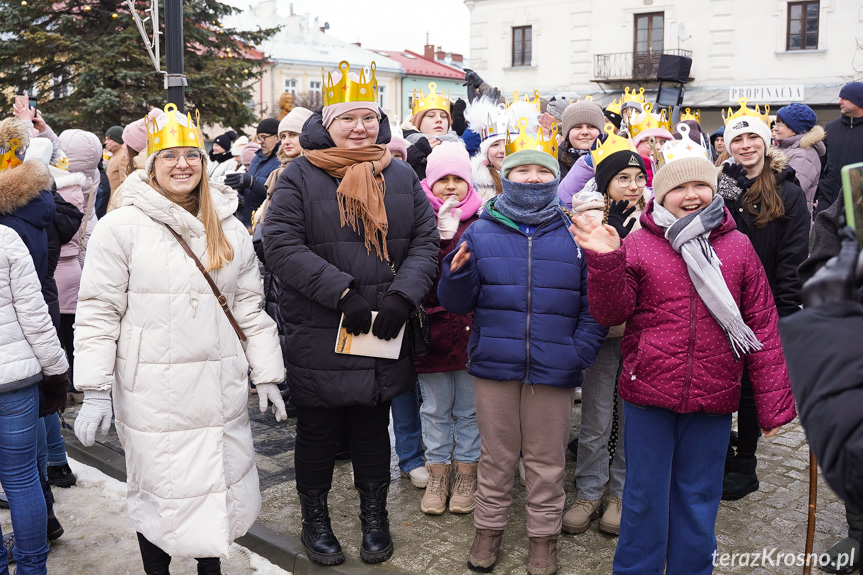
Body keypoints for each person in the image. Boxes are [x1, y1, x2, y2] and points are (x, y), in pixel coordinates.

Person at [72, 103, 287, 575]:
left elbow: (249, 307)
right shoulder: (120, 228)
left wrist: (268, 373)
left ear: (204, 162)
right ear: (151, 164)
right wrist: (93, 389)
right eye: (169, 156)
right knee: (159, 492)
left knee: (213, 489)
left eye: (191, 154)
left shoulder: (228, 226)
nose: (182, 164)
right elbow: (98, 313)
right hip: (153, 392)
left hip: (217, 387)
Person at [571, 135, 795, 575]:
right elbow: (611, 312)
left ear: (713, 191)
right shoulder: (638, 243)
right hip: (649, 391)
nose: (691, 195)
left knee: (698, 497)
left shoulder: (737, 246)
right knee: (643, 496)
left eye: (701, 186)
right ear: (663, 194)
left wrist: (772, 408)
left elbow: (762, 324)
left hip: (714, 394)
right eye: (679, 188)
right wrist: (604, 262)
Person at [262, 60, 438, 566]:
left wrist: (403, 297)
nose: (360, 128)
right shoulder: (298, 173)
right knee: (317, 431)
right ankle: (315, 519)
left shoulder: (400, 173)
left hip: (384, 325)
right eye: (348, 119)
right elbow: (280, 244)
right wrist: (343, 293)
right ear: (328, 123)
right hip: (322, 325)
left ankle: (374, 516)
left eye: (368, 118)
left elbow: (425, 242)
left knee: (369, 426)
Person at [437, 117, 606, 575]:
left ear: (556, 176)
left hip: (555, 366)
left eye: (543, 171)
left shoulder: (575, 232)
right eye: (522, 171)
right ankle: (487, 531)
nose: (533, 178)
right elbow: (456, 303)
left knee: (547, 461)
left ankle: (542, 540)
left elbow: (596, 305)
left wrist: (580, 351)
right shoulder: (482, 229)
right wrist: (454, 275)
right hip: (495, 363)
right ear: (505, 176)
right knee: (495, 458)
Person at [717, 114, 809, 500]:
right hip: (722, 304)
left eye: (753, 137)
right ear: (728, 146)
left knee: (754, 389)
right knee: (721, 382)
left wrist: (785, 311)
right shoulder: (721, 187)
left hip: (766, 303)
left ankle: (745, 463)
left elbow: (793, 258)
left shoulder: (788, 190)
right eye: (738, 140)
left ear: (766, 142)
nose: (746, 145)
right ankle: (719, 453)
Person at [563, 127, 647, 537]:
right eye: (622, 178)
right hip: (600, 334)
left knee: (630, 419)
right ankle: (589, 490)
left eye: (639, 178)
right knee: (595, 416)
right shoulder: (587, 222)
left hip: (640, 336)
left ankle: (620, 492)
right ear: (605, 184)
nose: (632, 186)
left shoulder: (653, 223)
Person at [414, 142, 482, 516]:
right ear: (430, 182)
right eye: (444, 180)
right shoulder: (418, 217)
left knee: (470, 409)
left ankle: (467, 472)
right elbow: (416, 272)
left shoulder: (482, 219)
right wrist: (439, 239)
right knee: (437, 407)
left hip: (472, 329)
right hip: (433, 330)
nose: (451, 186)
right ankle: (438, 472)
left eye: (458, 179)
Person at [0, 224, 70, 575]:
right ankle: (32, 570)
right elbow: (34, 315)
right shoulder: (5, 238)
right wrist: (57, 373)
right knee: (23, 477)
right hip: (14, 381)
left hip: (15, 380)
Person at [814, 81, 863, 214]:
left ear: (858, 101)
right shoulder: (831, 127)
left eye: (844, 98)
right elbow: (821, 162)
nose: (839, 102)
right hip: (829, 199)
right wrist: (818, 193)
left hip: (859, 202)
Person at [225, 117, 283, 227]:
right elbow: (250, 187)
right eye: (258, 138)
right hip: (248, 221)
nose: (260, 142)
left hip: (267, 223)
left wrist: (251, 182)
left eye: (264, 137)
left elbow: (278, 190)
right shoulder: (257, 157)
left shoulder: (282, 160)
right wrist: (240, 186)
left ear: (277, 137)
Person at [772, 103, 826, 216]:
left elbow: (789, 193)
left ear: (795, 129)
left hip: (791, 220)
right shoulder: (784, 148)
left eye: (779, 125)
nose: (775, 128)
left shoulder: (804, 156)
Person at [403, 82, 460, 180]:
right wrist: (416, 152)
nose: (439, 120)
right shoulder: (402, 149)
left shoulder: (460, 149)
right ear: (417, 122)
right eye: (431, 116)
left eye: (443, 116)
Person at [556, 100, 606, 206]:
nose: (584, 132)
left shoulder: (613, 158)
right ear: (567, 133)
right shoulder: (555, 162)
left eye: (591, 126)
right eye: (577, 127)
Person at [104, 125, 127, 194]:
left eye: (109, 139)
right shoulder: (115, 154)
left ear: (118, 140)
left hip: (117, 202)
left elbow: (124, 183)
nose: (105, 142)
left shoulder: (123, 156)